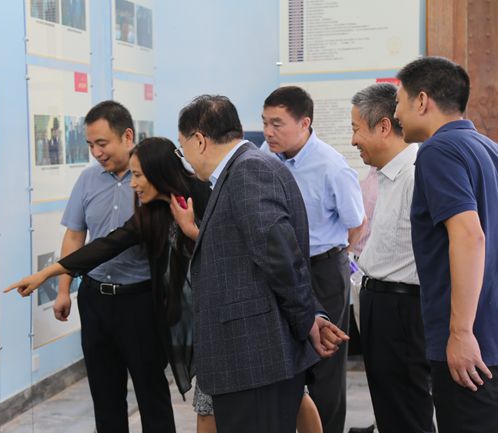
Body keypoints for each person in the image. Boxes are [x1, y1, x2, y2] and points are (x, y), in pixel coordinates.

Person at [6, 136, 212, 431]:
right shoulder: (151, 211)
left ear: (158, 172)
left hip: (214, 311)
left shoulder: (200, 194)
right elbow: (107, 245)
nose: (133, 184)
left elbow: (227, 248)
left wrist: (191, 230)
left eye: (138, 175)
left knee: (196, 405)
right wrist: (47, 274)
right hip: (171, 309)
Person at [176, 94, 347, 433]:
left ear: (200, 140)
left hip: (253, 358)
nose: (188, 160)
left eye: (184, 149)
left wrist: (306, 322)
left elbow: (280, 258)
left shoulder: (248, 172)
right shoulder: (246, 170)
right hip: (251, 358)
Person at [394, 56, 498, 433]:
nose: (396, 113)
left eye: (399, 102)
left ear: (422, 101)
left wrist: (461, 332)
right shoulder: (488, 148)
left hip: (472, 347)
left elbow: (469, 235)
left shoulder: (438, 150)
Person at [261, 86, 365, 433]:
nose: (268, 132)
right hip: (280, 271)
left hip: (323, 271)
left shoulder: (331, 166)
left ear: (304, 123)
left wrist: (334, 258)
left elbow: (357, 223)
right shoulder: (264, 157)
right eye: (265, 123)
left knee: (325, 364)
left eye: (277, 124)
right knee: (284, 360)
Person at [351, 83, 434, 433]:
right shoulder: (385, 175)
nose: (353, 140)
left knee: (406, 414)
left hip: (402, 309)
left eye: (356, 129)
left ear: (383, 126)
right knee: (390, 412)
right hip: (381, 305)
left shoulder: (416, 174)